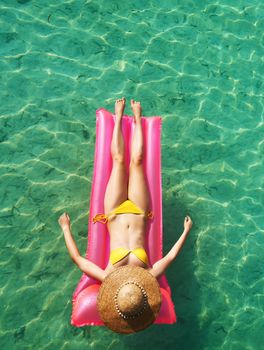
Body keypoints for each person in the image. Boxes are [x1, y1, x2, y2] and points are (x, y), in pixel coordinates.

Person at [58, 98, 193, 333]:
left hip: (113, 211)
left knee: (119, 162)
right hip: (140, 211)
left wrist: (65, 229)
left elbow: (78, 259)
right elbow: (171, 257)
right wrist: (186, 232)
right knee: (137, 162)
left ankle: (119, 116)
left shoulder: (108, 274)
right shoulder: (149, 275)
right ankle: (138, 118)